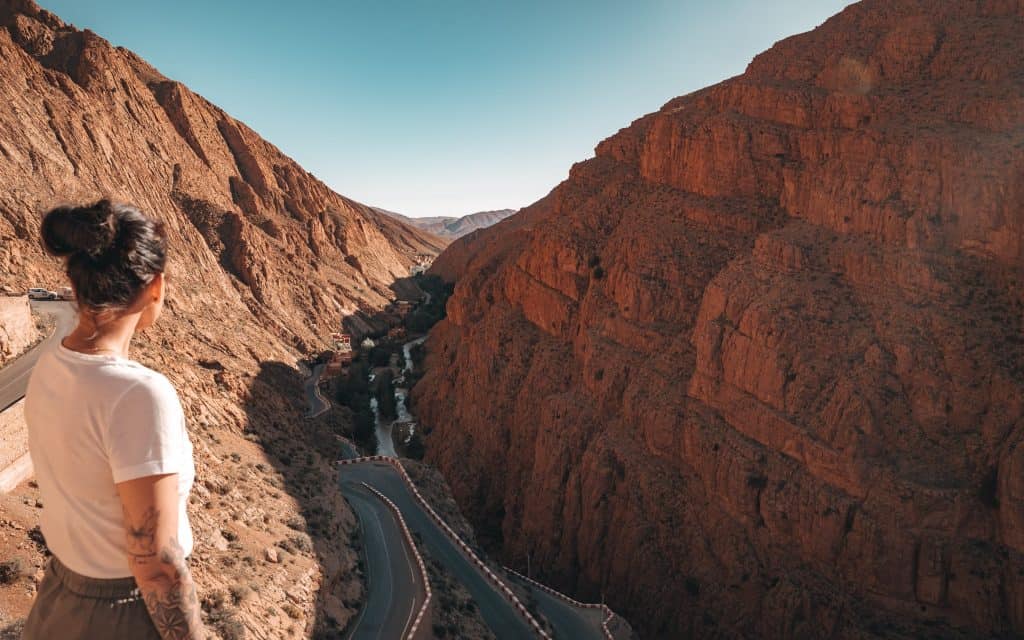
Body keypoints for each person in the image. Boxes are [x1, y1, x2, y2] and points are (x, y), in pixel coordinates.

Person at [22, 199, 205, 639]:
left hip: (60, 597)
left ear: (74, 280)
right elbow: (155, 565)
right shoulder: (139, 395)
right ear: (155, 286)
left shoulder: (50, 364)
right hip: (121, 615)